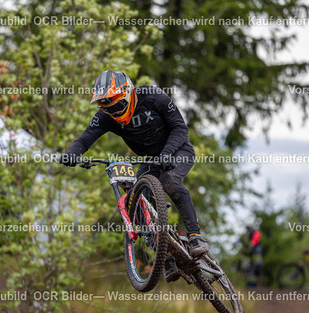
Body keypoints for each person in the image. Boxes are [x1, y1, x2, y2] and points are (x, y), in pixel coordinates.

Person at [61, 70, 208, 282]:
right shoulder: (105, 116)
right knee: (136, 202)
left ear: (128, 93)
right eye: (108, 108)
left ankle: (195, 237)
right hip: (150, 159)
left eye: (117, 106)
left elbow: (180, 128)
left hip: (178, 150)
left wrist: (167, 153)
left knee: (169, 181)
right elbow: (84, 139)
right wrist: (71, 154)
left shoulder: (154, 97)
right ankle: (166, 256)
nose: (114, 111)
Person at [243, 222, 263, 287]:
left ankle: (258, 284)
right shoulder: (247, 234)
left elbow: (254, 242)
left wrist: (250, 245)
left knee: (258, 267)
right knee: (249, 267)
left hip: (256, 252)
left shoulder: (256, 232)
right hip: (250, 253)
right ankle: (250, 283)